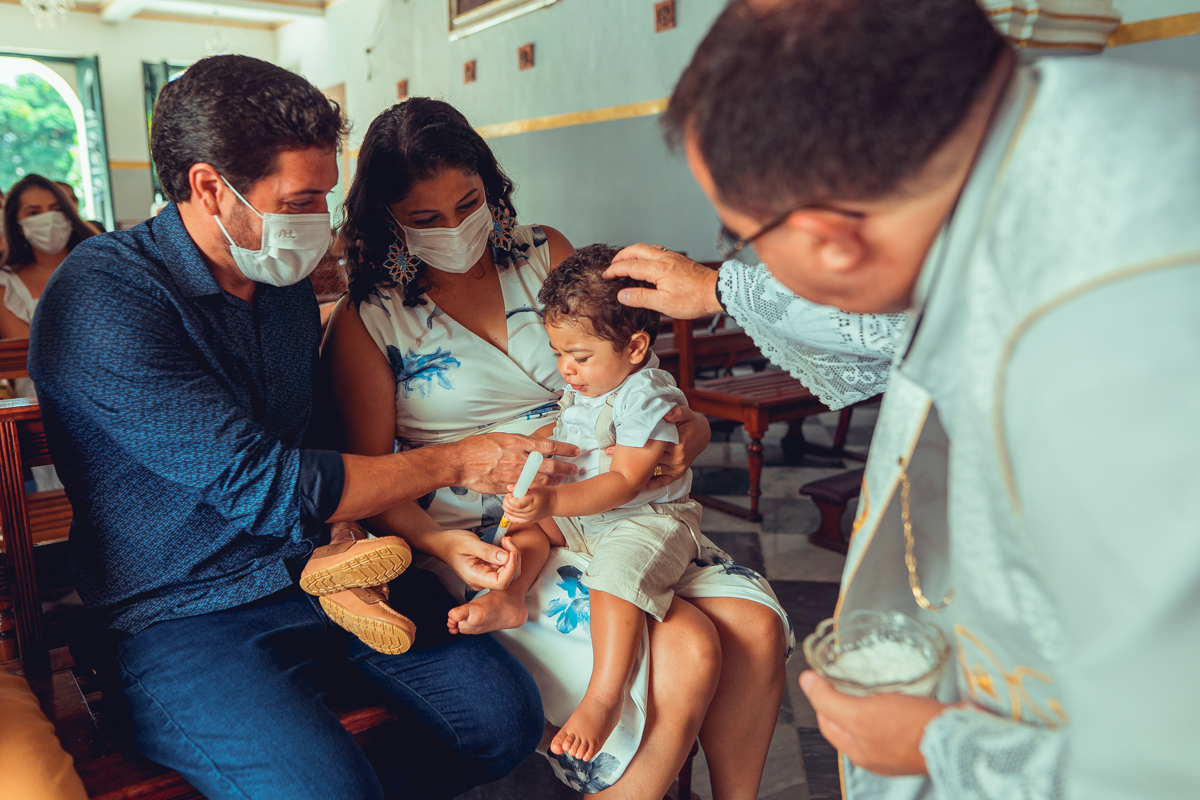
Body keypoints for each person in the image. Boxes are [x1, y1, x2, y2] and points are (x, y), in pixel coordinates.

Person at [607, 0, 1200, 798]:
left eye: (741, 240)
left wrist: (939, 746)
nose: (742, 263)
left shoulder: (1105, 353)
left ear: (831, 239)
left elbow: (1166, 762)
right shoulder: (1073, 127)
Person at [28, 55, 586, 800]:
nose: (320, 221)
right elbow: (264, 484)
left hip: (322, 571)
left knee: (503, 722)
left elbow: (321, 437)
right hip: (181, 609)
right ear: (209, 187)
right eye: (301, 199)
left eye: (324, 194)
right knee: (325, 789)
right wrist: (458, 461)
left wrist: (363, 534)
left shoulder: (279, 287)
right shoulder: (104, 296)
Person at [324, 97, 793, 798]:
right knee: (686, 643)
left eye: (468, 204)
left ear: (490, 184)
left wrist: (686, 429)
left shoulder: (544, 254)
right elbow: (374, 480)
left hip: (619, 497)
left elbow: (633, 369)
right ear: (388, 217)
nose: (455, 229)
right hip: (493, 531)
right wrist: (443, 545)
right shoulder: (372, 318)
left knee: (753, 628)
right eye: (426, 218)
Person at [499, 243, 706, 763]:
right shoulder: (593, 382)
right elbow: (571, 432)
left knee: (612, 578)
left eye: (579, 356)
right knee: (525, 529)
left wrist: (551, 498)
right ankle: (511, 595)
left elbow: (626, 483)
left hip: (644, 521)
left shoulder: (645, 395)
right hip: (590, 516)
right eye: (559, 354)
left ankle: (604, 699)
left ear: (634, 347)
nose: (566, 369)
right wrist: (538, 455)